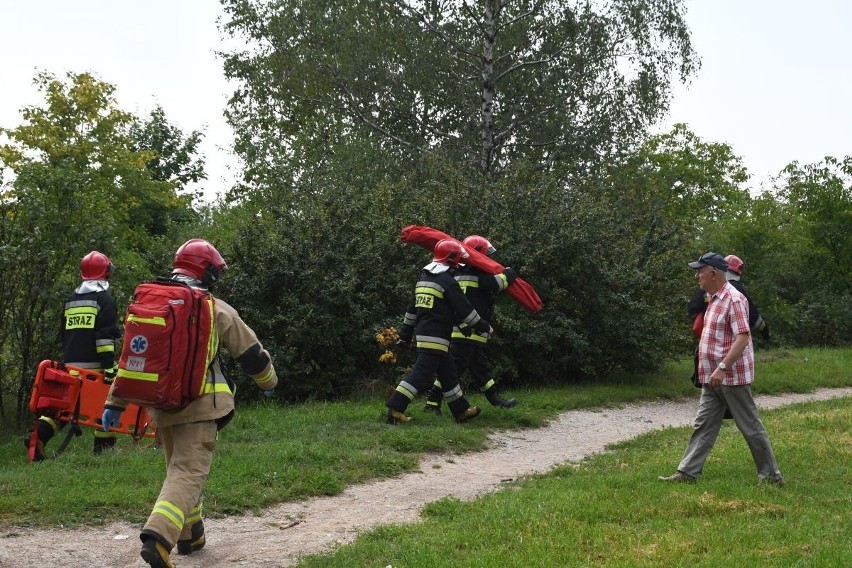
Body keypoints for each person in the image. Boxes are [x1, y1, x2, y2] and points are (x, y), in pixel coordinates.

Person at [102, 239, 278, 568]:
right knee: (188, 472)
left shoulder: (151, 303)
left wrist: (115, 402)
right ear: (206, 272)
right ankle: (158, 538)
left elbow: (132, 359)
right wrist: (270, 383)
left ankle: (190, 535)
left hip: (161, 407)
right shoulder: (215, 309)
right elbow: (252, 355)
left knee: (178, 468)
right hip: (201, 408)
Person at [659, 252, 784, 486]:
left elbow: (743, 337)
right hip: (712, 376)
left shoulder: (734, 299)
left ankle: (771, 477)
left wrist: (723, 367)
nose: (697, 275)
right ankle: (687, 473)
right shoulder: (712, 297)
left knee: (749, 425)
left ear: (713, 273)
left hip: (730, 376)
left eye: (700, 270)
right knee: (704, 424)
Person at [27, 251, 121, 460]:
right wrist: (109, 368)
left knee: (66, 408)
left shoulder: (71, 300)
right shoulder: (104, 300)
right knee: (104, 405)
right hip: (95, 364)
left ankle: (40, 434)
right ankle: (103, 452)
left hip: (71, 365)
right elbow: (104, 339)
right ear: (106, 273)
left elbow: (64, 333)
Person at [387, 239, 492, 425]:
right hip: (436, 338)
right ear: (452, 262)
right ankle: (396, 409)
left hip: (426, 336)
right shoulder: (447, 282)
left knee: (449, 373)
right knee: (420, 375)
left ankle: (461, 411)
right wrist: (484, 326)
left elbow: (412, 311)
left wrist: (405, 335)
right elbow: (464, 309)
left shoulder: (424, 279)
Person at [423, 235, 518, 414]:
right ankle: (432, 402)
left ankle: (496, 399)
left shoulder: (457, 271)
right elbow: (496, 284)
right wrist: (510, 274)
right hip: (471, 330)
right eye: (486, 254)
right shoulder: (479, 272)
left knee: (479, 367)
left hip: (464, 329)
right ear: (479, 254)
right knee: (453, 370)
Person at [724, 254, 770, 340]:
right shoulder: (737, 287)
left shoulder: (713, 287)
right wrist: (764, 330)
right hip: (732, 337)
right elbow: (751, 312)